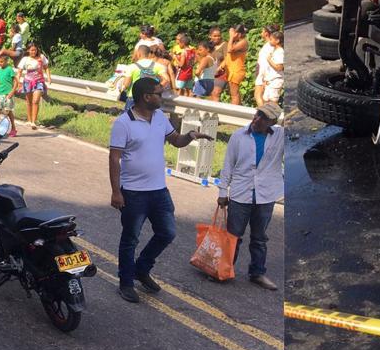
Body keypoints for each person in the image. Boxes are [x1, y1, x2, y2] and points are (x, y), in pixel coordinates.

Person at [108, 77, 209, 302]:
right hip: (133, 192)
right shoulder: (124, 123)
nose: (162, 98)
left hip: (159, 191)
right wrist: (116, 192)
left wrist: (189, 136)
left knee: (167, 232)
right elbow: (114, 159)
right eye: (159, 94)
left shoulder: (160, 117)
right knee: (130, 239)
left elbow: (176, 140)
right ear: (146, 97)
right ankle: (126, 283)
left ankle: (141, 268)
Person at [217, 102, 283, 290]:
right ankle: (225, 269)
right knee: (233, 236)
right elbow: (228, 165)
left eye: (264, 117)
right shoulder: (239, 136)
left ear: (272, 122)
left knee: (259, 238)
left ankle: (257, 273)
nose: (257, 119)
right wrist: (223, 191)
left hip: (265, 195)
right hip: (240, 194)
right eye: (257, 114)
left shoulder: (279, 136)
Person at [15, 43, 51, 129]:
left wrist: (49, 77)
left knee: (35, 101)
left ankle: (33, 122)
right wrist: (18, 81)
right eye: (31, 50)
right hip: (28, 82)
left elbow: (46, 67)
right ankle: (29, 120)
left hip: (39, 82)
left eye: (35, 50)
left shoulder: (41, 57)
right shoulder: (25, 59)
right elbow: (19, 72)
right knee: (29, 102)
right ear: (28, 50)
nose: (33, 52)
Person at [217, 24, 248, 105]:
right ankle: (239, 110)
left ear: (239, 34)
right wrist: (221, 66)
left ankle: (234, 111)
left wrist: (231, 37)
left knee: (234, 94)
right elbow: (228, 56)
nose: (231, 35)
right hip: (231, 70)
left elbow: (229, 50)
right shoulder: (235, 42)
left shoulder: (243, 42)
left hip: (236, 71)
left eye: (233, 33)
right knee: (234, 93)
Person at [255, 27, 285, 106]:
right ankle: (264, 113)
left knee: (272, 102)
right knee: (266, 100)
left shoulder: (279, 51)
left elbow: (279, 67)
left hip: (275, 79)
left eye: (271, 39)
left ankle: (264, 112)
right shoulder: (274, 49)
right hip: (269, 79)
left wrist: (269, 60)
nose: (270, 41)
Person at [0, 53, 17, 138]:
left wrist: (12, 92)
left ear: (6, 61)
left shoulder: (9, 69)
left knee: (8, 112)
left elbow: (16, 82)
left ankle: (13, 128)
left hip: (8, 94)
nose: (0, 63)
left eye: (2, 62)